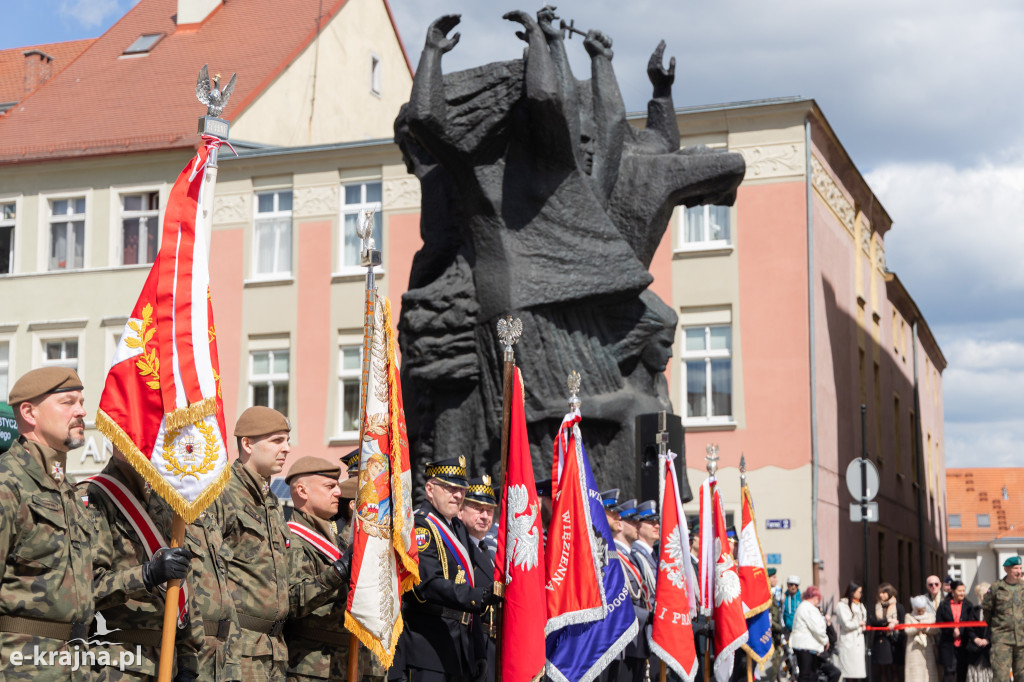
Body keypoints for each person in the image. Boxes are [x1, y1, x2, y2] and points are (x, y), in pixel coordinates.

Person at [86, 448, 247, 682]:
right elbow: (85, 589)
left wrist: (188, 662)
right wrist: (146, 575)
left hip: (167, 664)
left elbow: (182, 589)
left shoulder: (163, 502)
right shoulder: (95, 495)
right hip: (119, 665)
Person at [222, 407, 348, 680]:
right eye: (277, 441)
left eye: (287, 440)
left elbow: (287, 593)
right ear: (247, 444)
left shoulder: (272, 504)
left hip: (274, 652)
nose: (287, 449)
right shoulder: (223, 496)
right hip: (237, 651)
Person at [0, 367, 94, 681]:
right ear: (29, 412)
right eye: (68, 402)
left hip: (75, 666)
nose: (81, 411)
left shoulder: (67, 487)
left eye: (81, 401)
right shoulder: (6, 483)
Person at [391, 457, 498, 682]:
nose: (457, 495)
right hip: (428, 647)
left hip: (459, 648)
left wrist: (478, 652)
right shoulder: (421, 526)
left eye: (460, 489)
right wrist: (480, 595)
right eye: (449, 488)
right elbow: (428, 586)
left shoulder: (456, 527)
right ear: (430, 489)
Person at [283, 456, 354, 681]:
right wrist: (339, 571)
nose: (338, 493)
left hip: (343, 660)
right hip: (310, 665)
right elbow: (293, 602)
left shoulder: (338, 540)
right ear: (303, 491)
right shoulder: (291, 539)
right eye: (330, 486)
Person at [604, 492, 650, 682]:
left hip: (631, 639)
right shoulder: (608, 554)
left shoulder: (631, 559)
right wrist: (648, 615)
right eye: (612, 512)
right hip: (614, 638)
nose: (618, 517)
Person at [461, 475, 498, 682]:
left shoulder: (490, 551)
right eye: (477, 509)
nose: (485, 516)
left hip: (492, 643)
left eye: (489, 510)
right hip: (469, 642)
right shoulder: (458, 547)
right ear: (461, 510)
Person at [981, 555, 1024, 681]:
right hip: (1002, 640)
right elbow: (987, 611)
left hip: (1022, 640)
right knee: (1001, 677)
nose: (1019, 571)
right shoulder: (996, 588)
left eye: (1020, 568)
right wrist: (998, 627)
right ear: (1006, 569)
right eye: (1015, 568)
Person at [789, 585, 839, 682]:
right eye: (818, 600)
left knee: (810, 675)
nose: (818, 602)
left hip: (805, 646)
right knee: (806, 675)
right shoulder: (808, 608)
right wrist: (825, 640)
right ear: (815, 598)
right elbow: (817, 628)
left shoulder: (804, 607)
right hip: (806, 647)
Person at [937, 579, 975, 682]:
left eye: (963, 591)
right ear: (953, 591)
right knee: (949, 673)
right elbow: (939, 622)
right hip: (948, 644)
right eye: (959, 591)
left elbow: (971, 623)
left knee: (962, 673)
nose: (962, 593)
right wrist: (952, 630)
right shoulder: (943, 605)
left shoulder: (969, 606)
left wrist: (961, 630)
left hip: (963, 645)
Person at [870, 582, 906, 682]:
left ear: (889, 593)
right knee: (883, 670)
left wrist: (895, 624)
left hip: (894, 641)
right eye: (880, 593)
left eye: (884, 592)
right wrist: (887, 622)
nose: (881, 595)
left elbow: (903, 622)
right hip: (881, 641)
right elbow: (873, 622)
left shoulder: (898, 607)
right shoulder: (876, 606)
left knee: (895, 669)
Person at [835, 581, 868, 681]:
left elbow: (864, 619)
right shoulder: (842, 605)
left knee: (858, 673)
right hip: (849, 642)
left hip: (859, 642)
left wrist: (863, 624)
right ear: (852, 592)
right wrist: (859, 623)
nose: (860, 594)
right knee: (849, 673)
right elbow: (846, 624)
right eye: (859, 592)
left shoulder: (861, 605)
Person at [904, 595, 939, 682]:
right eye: (918, 609)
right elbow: (907, 631)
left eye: (922, 609)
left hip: (928, 647)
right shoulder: (908, 616)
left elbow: (935, 630)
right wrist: (918, 627)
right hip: (913, 649)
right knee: (914, 671)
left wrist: (925, 628)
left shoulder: (930, 616)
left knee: (929, 670)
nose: (920, 611)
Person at [967, 583, 993, 682]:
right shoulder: (974, 611)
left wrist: (987, 640)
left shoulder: (996, 611)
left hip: (990, 651)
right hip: (975, 652)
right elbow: (969, 627)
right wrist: (975, 639)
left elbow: (997, 628)